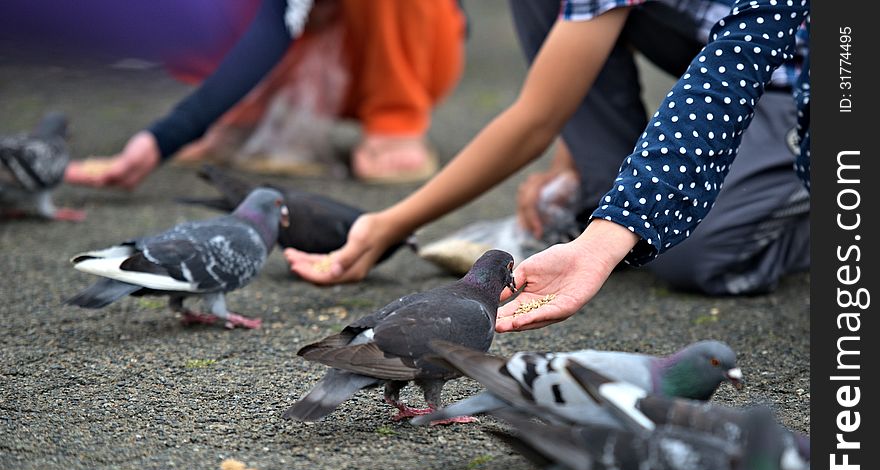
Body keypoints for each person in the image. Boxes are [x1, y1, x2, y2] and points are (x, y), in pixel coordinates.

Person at [283, 0, 810, 334]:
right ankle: (605, 187)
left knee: (696, 258)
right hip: (728, 50)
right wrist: (586, 185)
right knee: (632, 233)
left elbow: (533, 120)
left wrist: (391, 223)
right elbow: (730, 65)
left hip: (812, 80)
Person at [64, 0, 467, 187]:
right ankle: (239, 114)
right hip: (293, 48)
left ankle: (395, 120)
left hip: (406, 50)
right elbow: (278, 18)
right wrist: (163, 138)